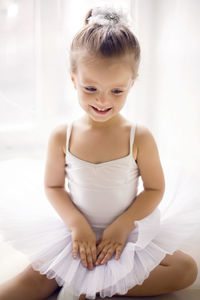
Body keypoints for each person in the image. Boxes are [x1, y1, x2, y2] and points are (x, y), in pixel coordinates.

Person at [0, 6, 199, 300]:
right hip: (73, 236)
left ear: (132, 83)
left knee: (186, 269)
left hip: (123, 236)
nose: (103, 100)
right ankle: (83, 283)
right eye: (90, 88)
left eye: (116, 91)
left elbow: (155, 188)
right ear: (73, 80)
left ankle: (98, 288)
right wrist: (77, 225)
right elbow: (53, 186)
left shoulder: (138, 136)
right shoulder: (62, 135)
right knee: (29, 284)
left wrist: (122, 226)